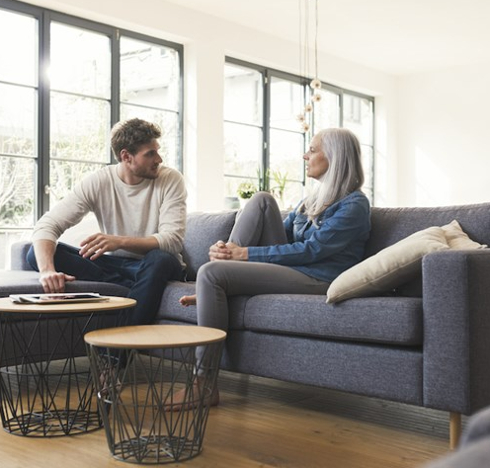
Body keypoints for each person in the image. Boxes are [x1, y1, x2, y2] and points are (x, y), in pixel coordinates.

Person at [174, 127, 371, 409]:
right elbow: (286, 239)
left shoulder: (355, 205)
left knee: (210, 273)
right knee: (262, 199)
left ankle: (204, 382)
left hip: (318, 277)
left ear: (335, 156)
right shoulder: (311, 200)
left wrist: (244, 254)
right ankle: (215, 288)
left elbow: (312, 251)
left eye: (313, 150)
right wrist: (230, 253)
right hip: (298, 269)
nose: (306, 155)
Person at [27, 118, 187, 326]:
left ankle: (117, 349)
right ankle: (140, 287)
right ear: (126, 157)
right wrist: (47, 271)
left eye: (157, 151)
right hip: (117, 267)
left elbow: (173, 240)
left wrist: (119, 242)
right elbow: (48, 225)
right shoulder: (99, 181)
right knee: (35, 253)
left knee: (159, 258)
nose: (159, 159)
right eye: (150, 153)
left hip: (158, 264)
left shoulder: (171, 180)